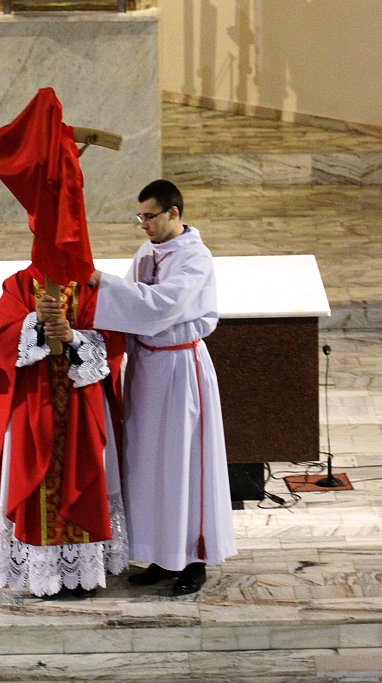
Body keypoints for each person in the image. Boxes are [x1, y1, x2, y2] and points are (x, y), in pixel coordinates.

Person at [88, 180, 236, 595]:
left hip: (179, 368)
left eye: (150, 216)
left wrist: (102, 283)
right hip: (146, 368)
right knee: (150, 464)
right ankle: (160, 553)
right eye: (140, 217)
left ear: (174, 213)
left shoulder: (195, 258)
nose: (144, 225)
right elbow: (130, 304)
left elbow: (160, 306)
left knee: (183, 463)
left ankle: (193, 559)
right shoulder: (147, 252)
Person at [0, 264, 128, 598]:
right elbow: (6, 336)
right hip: (35, 403)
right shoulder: (19, 285)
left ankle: (82, 573)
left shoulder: (92, 285)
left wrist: (73, 337)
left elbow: (113, 341)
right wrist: (34, 321)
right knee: (36, 477)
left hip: (81, 402)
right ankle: (43, 575)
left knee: (84, 475)